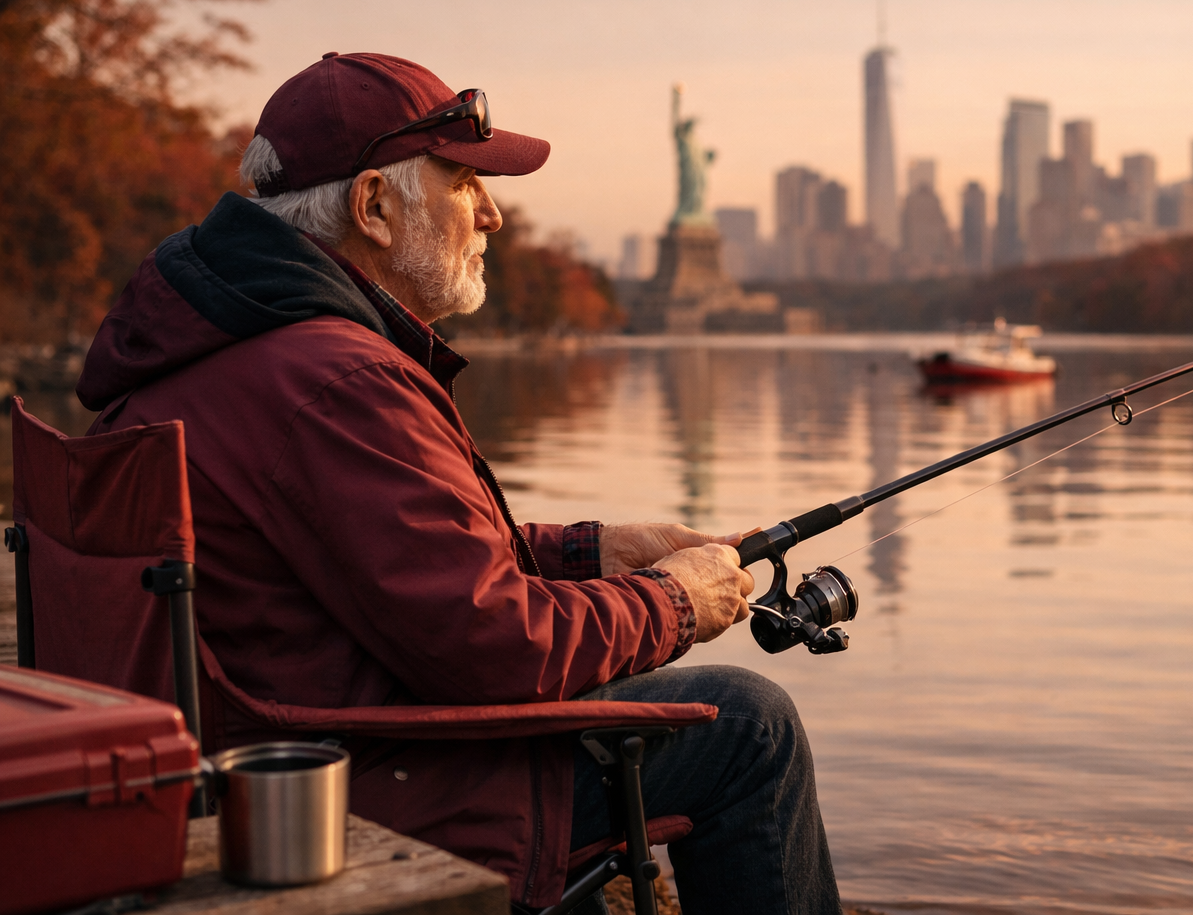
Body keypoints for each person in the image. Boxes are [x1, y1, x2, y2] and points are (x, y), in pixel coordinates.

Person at [76, 52, 841, 914]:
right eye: (465, 185)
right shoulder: (335, 382)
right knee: (749, 724)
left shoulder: (233, 353)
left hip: (274, 745)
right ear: (372, 207)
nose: (495, 215)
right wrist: (669, 602)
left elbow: (408, 566)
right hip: (362, 781)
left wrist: (602, 551)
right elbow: (498, 647)